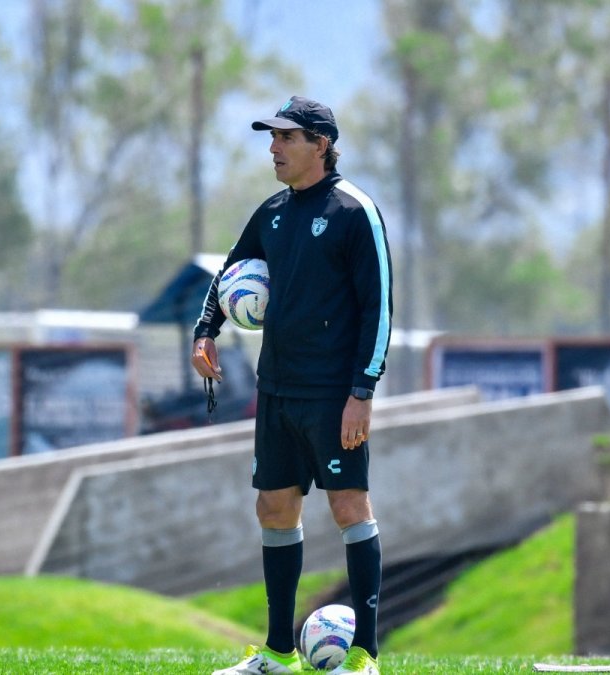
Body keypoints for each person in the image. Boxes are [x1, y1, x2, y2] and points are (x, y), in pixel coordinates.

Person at [193, 95, 392, 675]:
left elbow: (379, 309)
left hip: (334, 394)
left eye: (285, 137)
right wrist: (206, 330)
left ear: (320, 145)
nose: (273, 147)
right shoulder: (273, 211)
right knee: (274, 507)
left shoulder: (356, 212)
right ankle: (278, 656)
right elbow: (230, 271)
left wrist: (363, 392)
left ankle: (364, 656)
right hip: (276, 388)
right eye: (271, 137)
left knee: (350, 505)